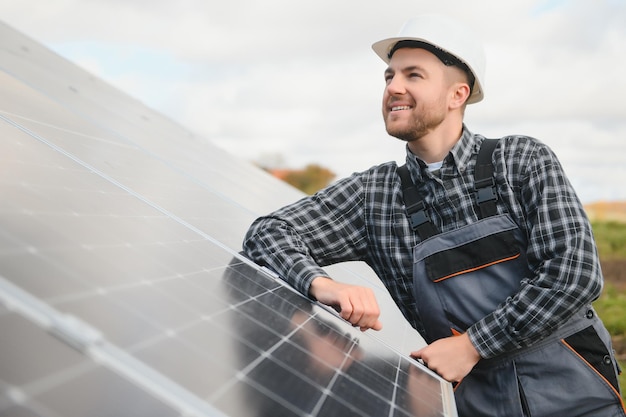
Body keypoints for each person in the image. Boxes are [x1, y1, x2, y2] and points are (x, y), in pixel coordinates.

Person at [243, 14, 625, 417]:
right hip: (477, 405)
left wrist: (472, 345)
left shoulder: (522, 161)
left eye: (413, 75)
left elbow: (574, 273)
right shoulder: (375, 196)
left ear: (457, 94)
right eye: (389, 76)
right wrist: (321, 284)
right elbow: (268, 232)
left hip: (577, 396)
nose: (393, 87)